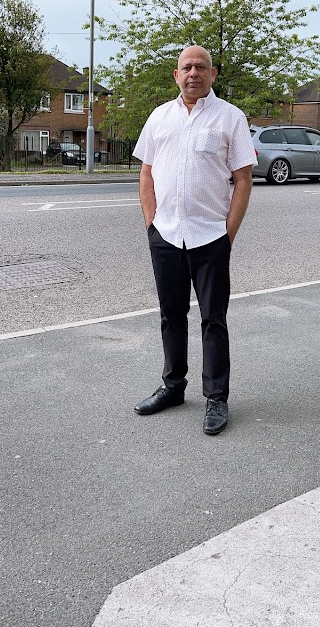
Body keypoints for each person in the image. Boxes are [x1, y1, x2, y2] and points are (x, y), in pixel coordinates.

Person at [132, 45, 257, 435]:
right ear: (176, 74)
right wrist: (151, 223)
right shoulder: (159, 117)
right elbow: (147, 173)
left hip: (210, 237)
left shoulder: (230, 118)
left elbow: (243, 180)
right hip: (166, 235)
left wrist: (227, 235)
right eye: (187, 67)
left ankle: (216, 398)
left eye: (201, 67)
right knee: (171, 316)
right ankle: (173, 386)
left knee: (212, 319)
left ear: (213, 74)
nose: (193, 73)